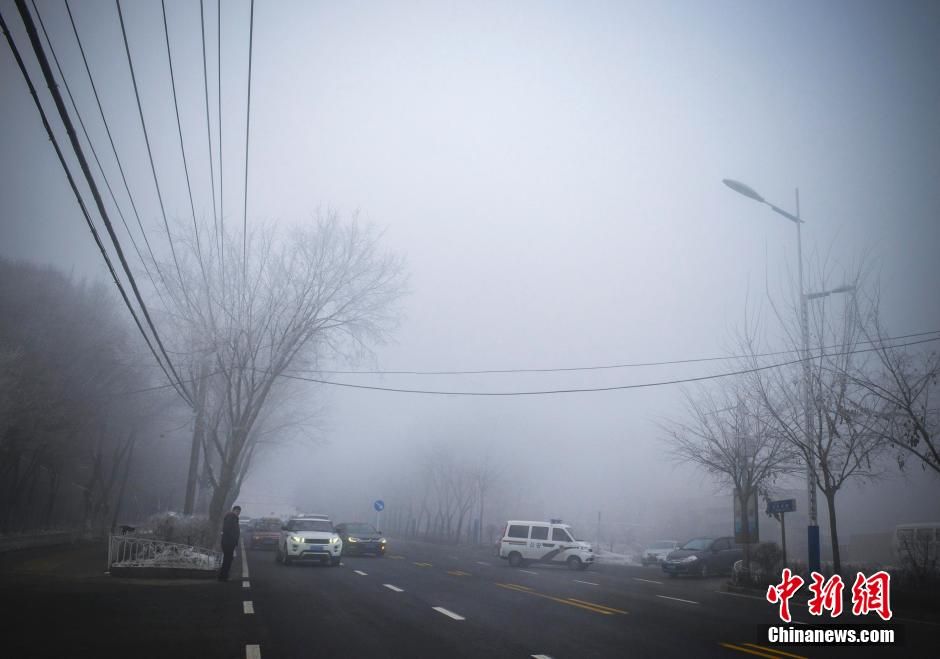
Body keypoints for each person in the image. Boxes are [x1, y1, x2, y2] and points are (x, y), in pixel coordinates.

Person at [218, 505, 241, 581]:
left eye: (239, 512)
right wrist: (233, 538)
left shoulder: (233, 517)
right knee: (227, 559)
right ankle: (223, 576)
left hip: (229, 542)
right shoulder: (231, 517)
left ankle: (224, 575)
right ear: (233, 510)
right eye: (237, 511)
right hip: (228, 542)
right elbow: (227, 529)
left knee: (228, 559)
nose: (238, 513)